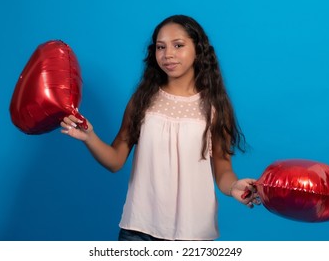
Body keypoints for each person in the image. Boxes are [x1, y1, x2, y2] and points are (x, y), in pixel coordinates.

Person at [60, 15, 260, 241]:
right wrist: (90, 137)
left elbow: (223, 169)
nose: (168, 55)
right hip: (138, 230)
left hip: (193, 234)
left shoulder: (215, 108)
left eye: (178, 45)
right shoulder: (143, 100)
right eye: (160, 47)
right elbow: (115, 160)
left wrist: (234, 186)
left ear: (198, 49)